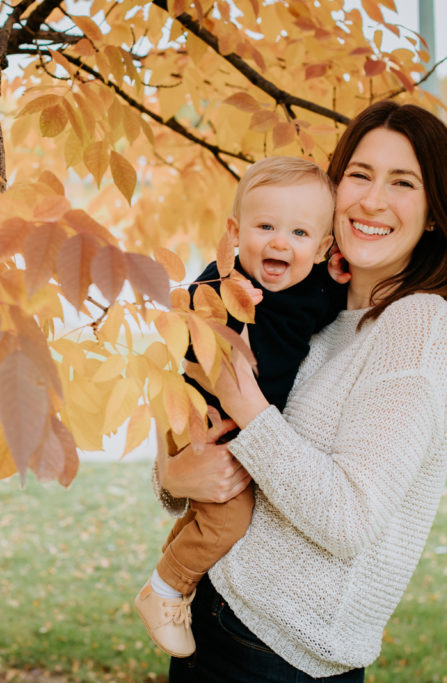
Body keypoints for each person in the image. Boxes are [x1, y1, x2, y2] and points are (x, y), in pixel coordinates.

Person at [152, 100, 447, 681]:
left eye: (403, 183)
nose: (373, 200)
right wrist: (171, 478)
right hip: (219, 615)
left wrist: (246, 405)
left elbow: (350, 521)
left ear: (432, 214)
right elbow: (214, 436)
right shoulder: (314, 308)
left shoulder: (418, 327)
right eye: (359, 174)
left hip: (280, 655)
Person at [134, 156, 347, 658]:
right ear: (234, 233)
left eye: (299, 233)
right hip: (200, 419)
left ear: (320, 248)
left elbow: (335, 299)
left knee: (211, 516)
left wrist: (339, 272)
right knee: (229, 520)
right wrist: (222, 301)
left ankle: (173, 572)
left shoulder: (315, 289)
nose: (279, 242)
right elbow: (184, 323)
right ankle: (165, 589)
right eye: (265, 226)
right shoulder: (221, 284)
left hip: (236, 428)